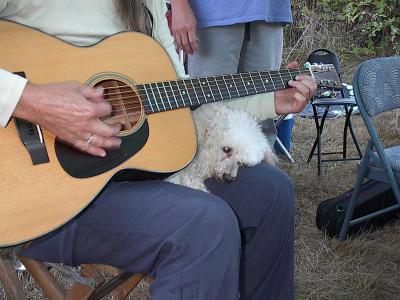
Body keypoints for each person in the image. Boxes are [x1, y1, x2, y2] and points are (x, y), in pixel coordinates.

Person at [0, 1, 316, 299]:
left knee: (270, 191)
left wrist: (269, 102)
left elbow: (180, 94)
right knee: (203, 224)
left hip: (132, 168)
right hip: (48, 196)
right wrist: (34, 102)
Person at [171, 0, 293, 142]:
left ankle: (261, 164)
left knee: (262, 122)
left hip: (270, 10)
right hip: (211, 13)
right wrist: (178, 5)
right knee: (209, 118)